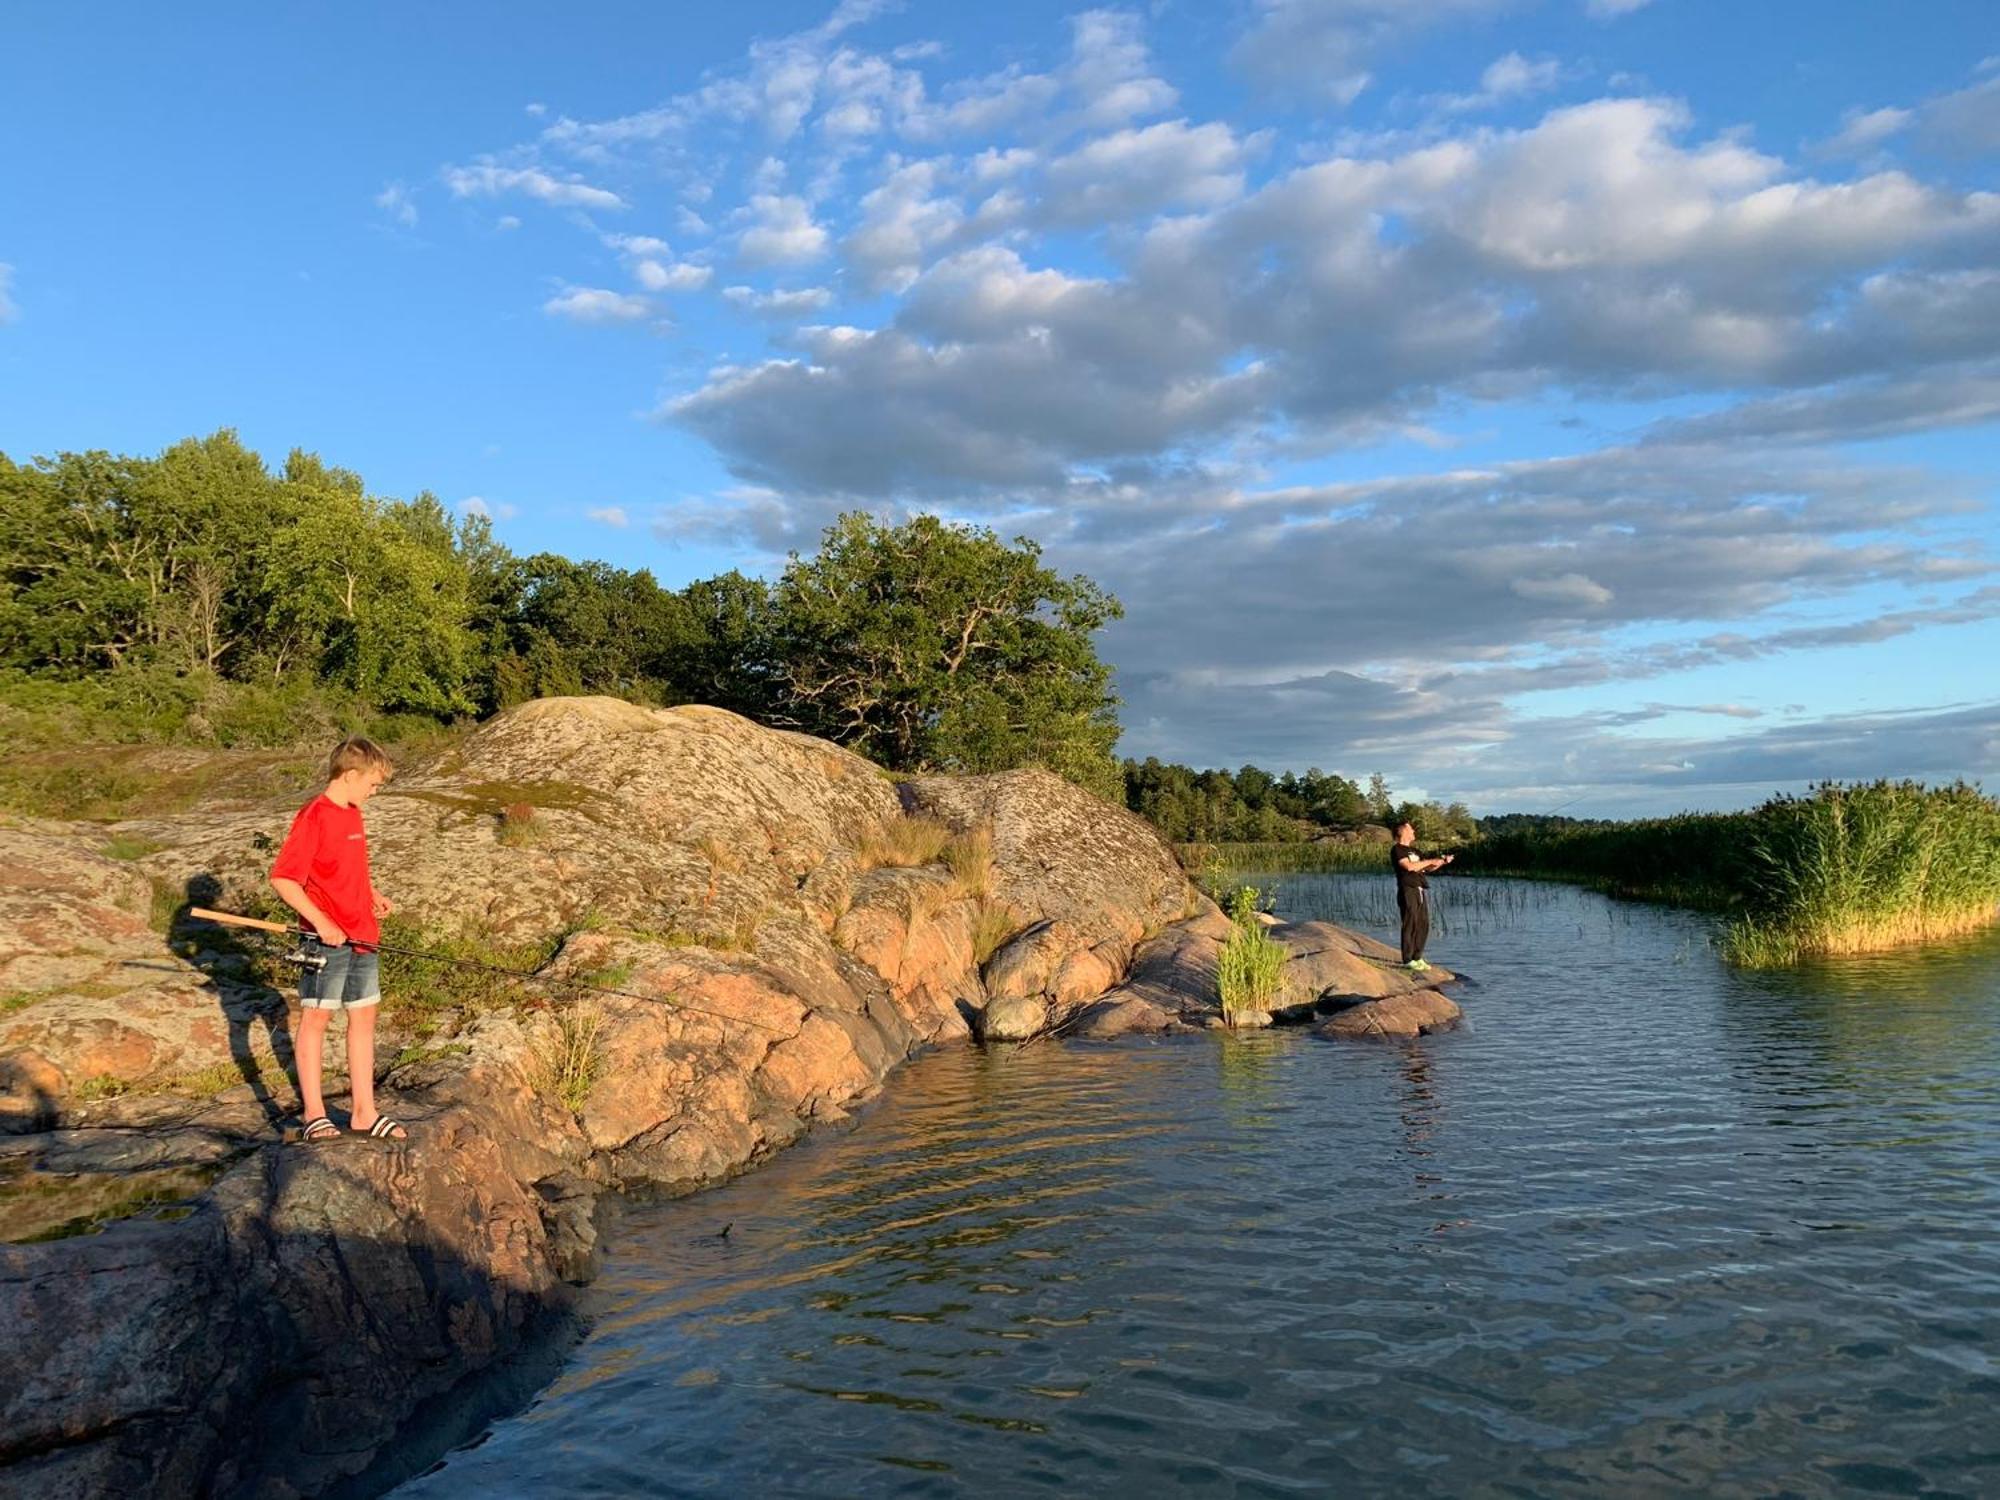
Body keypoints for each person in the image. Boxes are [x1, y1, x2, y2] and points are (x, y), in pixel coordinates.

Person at [270, 736, 407, 1141]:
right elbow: (283, 879)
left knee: (363, 1017)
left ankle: (365, 1112)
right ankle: (315, 1115)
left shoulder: (353, 814)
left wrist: (371, 894)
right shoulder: (315, 815)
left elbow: (349, 869)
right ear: (349, 775)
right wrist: (321, 923)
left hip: (364, 934)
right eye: (373, 783)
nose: (374, 791)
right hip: (324, 941)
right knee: (316, 1019)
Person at [1389, 819, 1453, 971]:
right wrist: (1430, 860)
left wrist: (1442, 862)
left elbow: (1426, 869)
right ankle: (1407, 959)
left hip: (1420, 889)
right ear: (1403, 831)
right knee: (1410, 923)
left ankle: (1418, 957)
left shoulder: (1416, 851)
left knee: (1423, 923)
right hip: (1407, 889)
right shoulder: (1397, 849)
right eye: (1411, 829)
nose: (1414, 832)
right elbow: (1409, 866)